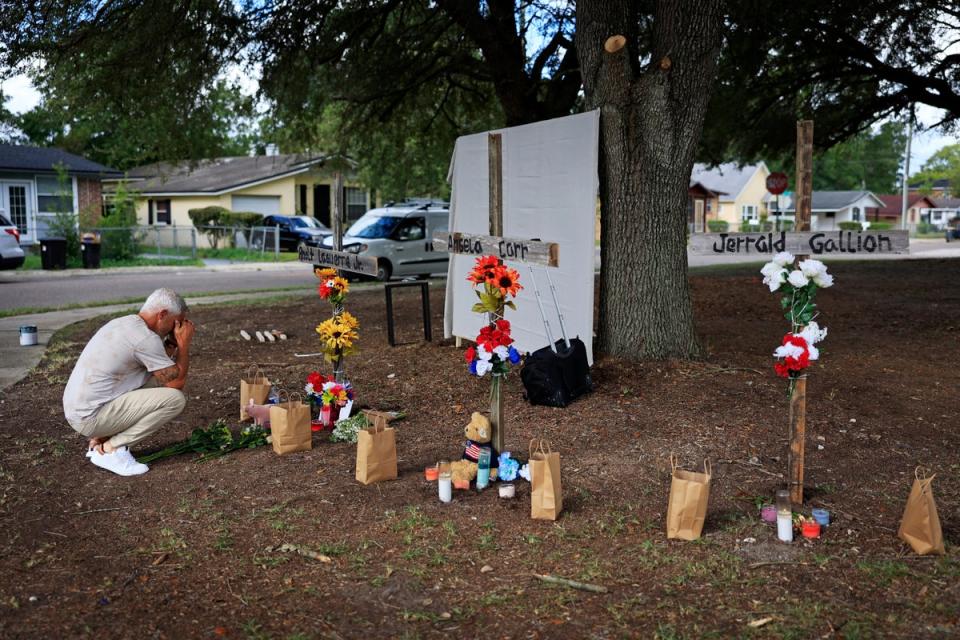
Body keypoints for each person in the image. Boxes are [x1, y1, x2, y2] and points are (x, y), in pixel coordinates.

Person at [62, 288, 195, 476]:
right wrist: (183, 345)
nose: (177, 328)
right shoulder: (146, 339)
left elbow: (160, 370)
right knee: (175, 399)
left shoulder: (123, 323)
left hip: (80, 409)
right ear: (162, 314)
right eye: (176, 322)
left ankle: (102, 437)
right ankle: (112, 450)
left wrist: (171, 343)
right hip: (90, 417)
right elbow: (175, 382)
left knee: (156, 382)